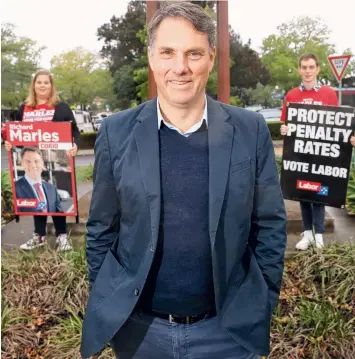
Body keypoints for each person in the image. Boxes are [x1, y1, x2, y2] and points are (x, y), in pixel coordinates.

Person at [81, 3, 287, 359]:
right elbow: (102, 229)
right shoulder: (116, 133)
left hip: (227, 333)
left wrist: (263, 301)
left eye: (193, 53)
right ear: (151, 58)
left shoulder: (250, 131)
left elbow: (269, 224)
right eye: (167, 52)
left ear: (210, 57)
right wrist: (113, 308)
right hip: (141, 334)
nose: (180, 67)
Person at [280, 53, 355, 250]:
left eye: (311, 67)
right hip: (300, 155)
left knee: (319, 194)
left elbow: (338, 124)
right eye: (304, 67)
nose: (307, 71)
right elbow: (287, 124)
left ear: (317, 69)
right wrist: (285, 130)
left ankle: (318, 234)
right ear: (299, 69)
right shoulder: (292, 95)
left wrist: (349, 138)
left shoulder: (329, 94)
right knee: (303, 193)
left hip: (321, 155)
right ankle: (307, 234)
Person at [4, 69, 80, 251]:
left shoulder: (61, 107)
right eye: (39, 82)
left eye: (46, 82)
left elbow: (74, 131)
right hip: (31, 159)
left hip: (54, 158)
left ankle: (62, 235)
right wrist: (9, 143)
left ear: (51, 86)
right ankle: (39, 236)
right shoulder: (25, 108)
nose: (42, 85)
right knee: (35, 196)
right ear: (34, 85)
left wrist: (75, 145)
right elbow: (15, 132)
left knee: (53, 196)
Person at [15, 147, 64, 214]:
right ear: (22, 163)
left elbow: (59, 214)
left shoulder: (51, 188)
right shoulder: (15, 188)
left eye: (36, 161)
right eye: (28, 161)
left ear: (42, 163)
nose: (33, 165)